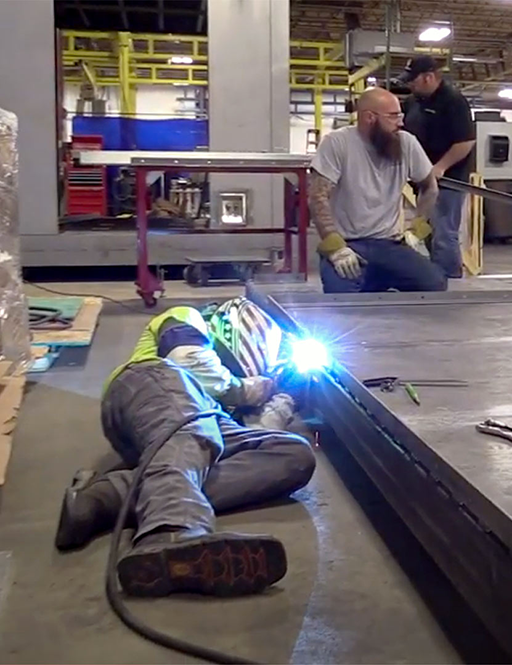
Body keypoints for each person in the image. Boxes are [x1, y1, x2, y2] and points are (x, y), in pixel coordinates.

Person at [55, 299, 316, 598]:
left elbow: (257, 436)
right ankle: (171, 530)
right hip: (150, 382)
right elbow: (189, 360)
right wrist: (250, 388)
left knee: (293, 456)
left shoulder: (213, 404)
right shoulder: (186, 317)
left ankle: (103, 500)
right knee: (193, 434)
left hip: (202, 418)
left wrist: (284, 400)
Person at [309, 87, 446, 294]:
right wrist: (334, 245)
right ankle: (373, 282)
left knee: (434, 283)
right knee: (340, 295)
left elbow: (429, 187)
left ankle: (376, 281)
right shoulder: (337, 143)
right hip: (350, 244)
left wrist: (418, 229)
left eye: (400, 115)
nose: (400, 123)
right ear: (369, 117)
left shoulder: (406, 143)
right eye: (393, 116)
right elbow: (318, 195)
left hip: (390, 244)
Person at [398, 55, 477, 279]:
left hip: (448, 180)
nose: (409, 84)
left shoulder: (453, 101)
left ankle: (450, 281)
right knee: (427, 230)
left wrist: (440, 167)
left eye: (413, 80)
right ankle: (436, 277)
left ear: (429, 77)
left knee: (444, 232)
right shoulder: (414, 101)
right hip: (422, 180)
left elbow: (466, 141)